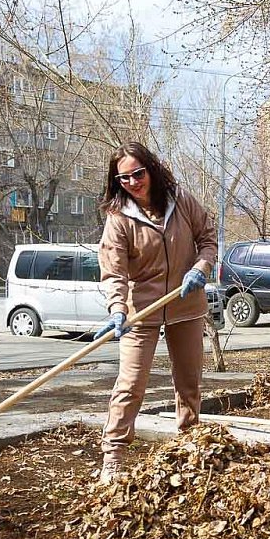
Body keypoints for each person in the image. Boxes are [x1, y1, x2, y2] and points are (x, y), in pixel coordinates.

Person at [95, 142, 217, 483]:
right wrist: (118, 309)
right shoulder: (119, 219)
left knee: (189, 380)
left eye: (138, 173)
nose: (133, 182)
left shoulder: (181, 201)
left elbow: (208, 238)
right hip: (141, 310)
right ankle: (114, 455)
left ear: (151, 169)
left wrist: (202, 267)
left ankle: (189, 441)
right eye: (124, 178)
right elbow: (113, 271)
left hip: (186, 304)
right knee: (131, 384)